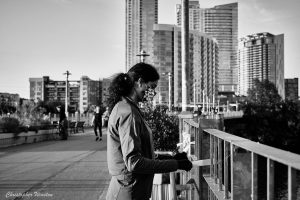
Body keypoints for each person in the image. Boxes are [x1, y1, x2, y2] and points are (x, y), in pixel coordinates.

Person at [106, 63, 193, 200]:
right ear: (140, 82)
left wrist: (172, 158)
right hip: (128, 192)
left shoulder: (127, 107)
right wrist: (176, 164)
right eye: (151, 87)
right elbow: (134, 162)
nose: (153, 92)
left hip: (132, 189)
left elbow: (142, 153)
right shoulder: (128, 112)